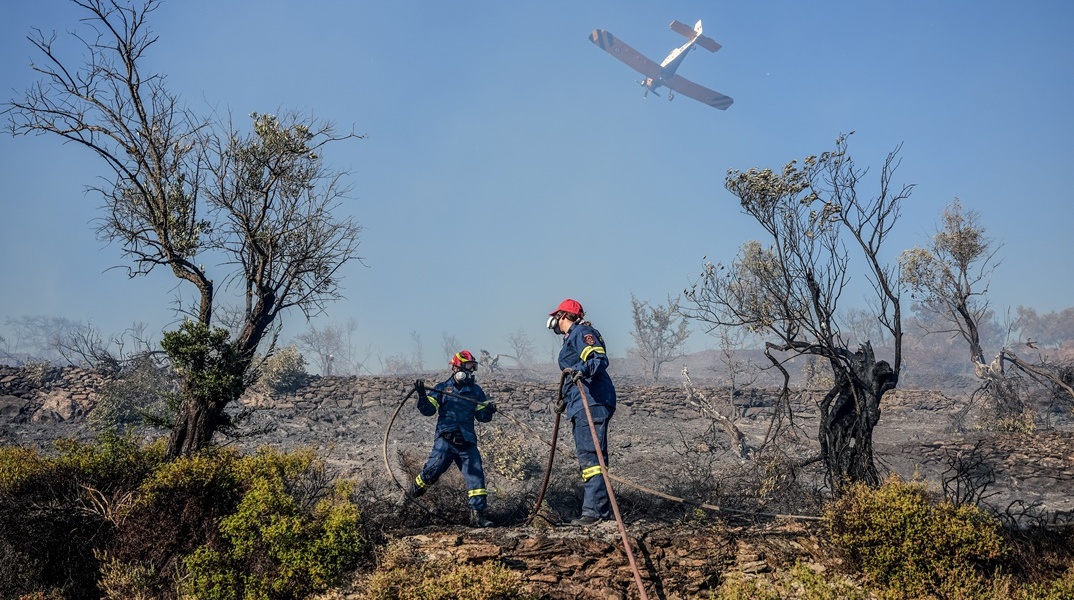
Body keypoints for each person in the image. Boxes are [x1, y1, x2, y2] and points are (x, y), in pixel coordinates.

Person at [546, 298, 617, 525]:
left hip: (592, 402)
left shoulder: (582, 332)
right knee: (588, 458)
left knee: (591, 457)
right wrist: (565, 401)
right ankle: (598, 511)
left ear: (563, 316)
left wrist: (581, 370)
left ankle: (595, 513)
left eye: (557, 316)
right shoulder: (571, 339)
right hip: (581, 402)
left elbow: (598, 359)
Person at [410, 350, 497, 528]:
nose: (471, 372)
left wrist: (489, 410)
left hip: (467, 442)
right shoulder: (442, 388)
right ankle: (412, 496)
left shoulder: (476, 391)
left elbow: (482, 417)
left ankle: (478, 517)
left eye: (473, 367)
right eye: (468, 367)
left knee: (477, 479)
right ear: (457, 367)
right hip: (446, 440)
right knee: (432, 471)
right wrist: (422, 396)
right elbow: (428, 411)